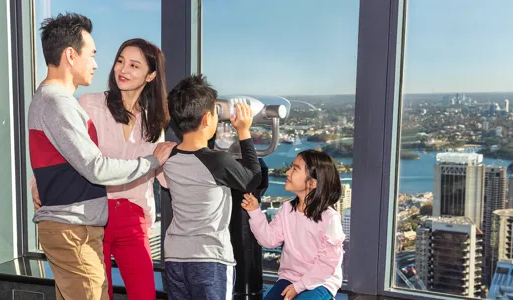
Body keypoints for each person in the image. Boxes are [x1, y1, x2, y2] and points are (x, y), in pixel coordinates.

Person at [28, 13, 174, 300]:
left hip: (129, 217)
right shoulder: (85, 104)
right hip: (94, 212)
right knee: (93, 291)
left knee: (136, 293)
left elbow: (164, 177)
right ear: (72, 55)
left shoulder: (153, 121)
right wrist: (38, 185)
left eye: (134, 65)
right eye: (120, 61)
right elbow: (82, 160)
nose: (121, 69)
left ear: (151, 75)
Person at [162, 74, 262, 300]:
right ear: (207, 118)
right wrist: (244, 131)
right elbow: (252, 178)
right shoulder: (218, 162)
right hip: (210, 259)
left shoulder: (169, 157)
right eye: (217, 112)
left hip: (175, 257)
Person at [241, 150, 345, 300]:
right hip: (289, 277)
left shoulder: (330, 218)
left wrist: (299, 287)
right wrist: (255, 211)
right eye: (290, 167)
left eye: (295, 169)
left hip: (320, 281)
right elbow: (269, 240)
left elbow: (327, 265)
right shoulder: (287, 209)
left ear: (312, 183)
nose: (287, 173)